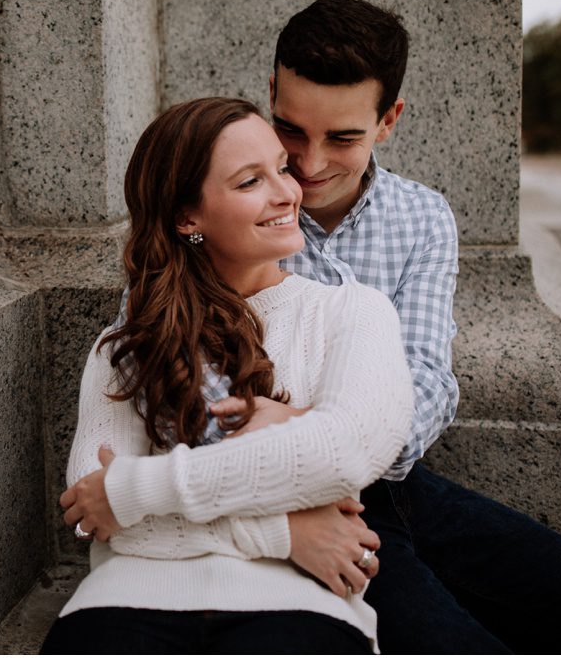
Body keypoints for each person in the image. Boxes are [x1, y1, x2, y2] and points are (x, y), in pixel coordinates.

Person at [83, 0, 561, 653]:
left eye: (343, 138)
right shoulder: (215, 217)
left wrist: (319, 428)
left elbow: (427, 383)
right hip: (270, 498)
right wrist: (288, 516)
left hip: (390, 479)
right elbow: (168, 381)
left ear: (388, 120)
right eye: (290, 130)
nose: (308, 165)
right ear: (271, 95)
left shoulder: (420, 218)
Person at [40, 97, 415, 654]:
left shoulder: (353, 313)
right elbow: (94, 510)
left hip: (297, 611)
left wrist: (137, 488)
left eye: (281, 168)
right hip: (122, 605)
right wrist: (281, 531)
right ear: (187, 218)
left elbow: (343, 452)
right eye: (250, 182)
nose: (287, 193)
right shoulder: (129, 342)